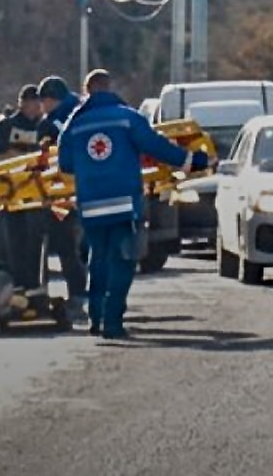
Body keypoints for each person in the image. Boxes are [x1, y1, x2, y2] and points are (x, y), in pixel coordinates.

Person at [58, 69, 206, 340]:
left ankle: (96, 316)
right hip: (124, 203)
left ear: (86, 91)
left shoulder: (73, 125)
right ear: (109, 87)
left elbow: (65, 164)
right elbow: (155, 146)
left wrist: (91, 167)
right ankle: (112, 322)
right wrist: (191, 161)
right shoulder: (128, 118)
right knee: (123, 260)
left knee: (97, 259)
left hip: (91, 205)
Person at [35, 75, 90, 322]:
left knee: (65, 247)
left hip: (60, 195)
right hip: (92, 189)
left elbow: (43, 161)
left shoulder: (50, 124)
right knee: (88, 247)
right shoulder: (83, 112)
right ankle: (92, 293)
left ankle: (74, 295)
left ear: (50, 100)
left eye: (43, 101)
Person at [0, 85, 46, 290]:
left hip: (40, 195)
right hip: (11, 195)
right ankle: (18, 285)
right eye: (34, 102)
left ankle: (35, 286)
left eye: (40, 103)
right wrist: (10, 156)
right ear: (23, 103)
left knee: (36, 245)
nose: (37, 107)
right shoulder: (5, 127)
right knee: (15, 244)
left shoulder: (46, 127)